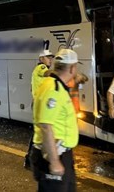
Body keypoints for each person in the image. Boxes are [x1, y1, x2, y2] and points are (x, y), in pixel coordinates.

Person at [29, 49, 80, 191]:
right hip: (53, 153)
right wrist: (54, 161)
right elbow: (45, 125)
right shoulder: (53, 89)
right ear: (72, 68)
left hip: (62, 153)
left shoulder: (57, 86)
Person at [25, 49, 55, 169]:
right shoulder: (41, 67)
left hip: (41, 104)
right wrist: (61, 72)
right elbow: (47, 73)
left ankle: (35, 159)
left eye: (51, 57)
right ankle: (30, 159)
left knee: (42, 132)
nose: (50, 59)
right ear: (41, 59)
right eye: (48, 57)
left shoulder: (40, 71)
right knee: (40, 132)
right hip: (40, 105)